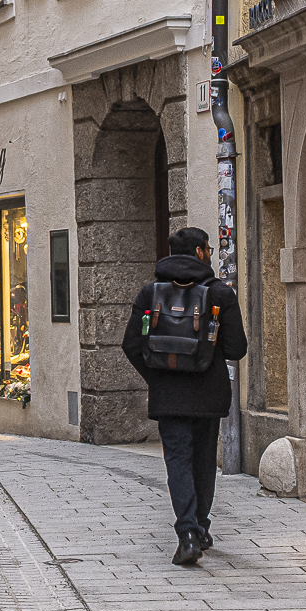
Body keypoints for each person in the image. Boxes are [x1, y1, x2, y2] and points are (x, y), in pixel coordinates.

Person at [121, 227, 248, 566]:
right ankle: (200, 527)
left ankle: (188, 533)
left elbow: (131, 344)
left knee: (177, 461)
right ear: (199, 252)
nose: (208, 252)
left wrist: (158, 376)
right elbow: (237, 348)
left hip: (169, 396)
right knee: (204, 461)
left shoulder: (150, 294)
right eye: (207, 248)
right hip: (209, 394)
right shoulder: (220, 293)